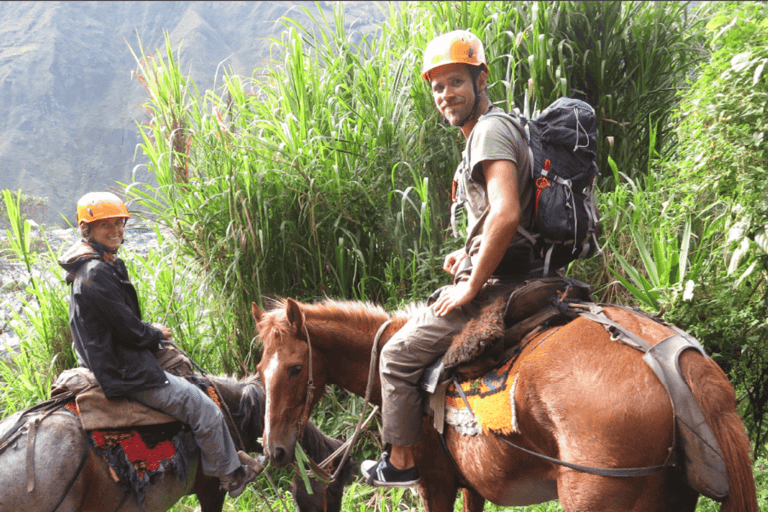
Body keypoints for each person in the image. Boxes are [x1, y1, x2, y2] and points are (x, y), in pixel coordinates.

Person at [361, 30, 547, 487]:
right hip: (526, 272)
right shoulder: (500, 127)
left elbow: (506, 213)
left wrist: (469, 284)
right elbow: (500, 222)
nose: (446, 95)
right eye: (438, 86)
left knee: (397, 355)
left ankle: (401, 462)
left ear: (481, 79)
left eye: (456, 82)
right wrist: (465, 253)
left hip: (501, 287)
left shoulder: (488, 131)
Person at [58, 191, 258, 498]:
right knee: (203, 407)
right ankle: (231, 475)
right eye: (105, 225)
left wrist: (146, 330)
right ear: (87, 230)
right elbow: (130, 333)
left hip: (108, 357)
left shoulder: (89, 266)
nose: (116, 231)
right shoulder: (96, 273)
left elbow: (116, 322)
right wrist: (154, 334)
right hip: (124, 370)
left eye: (119, 223)